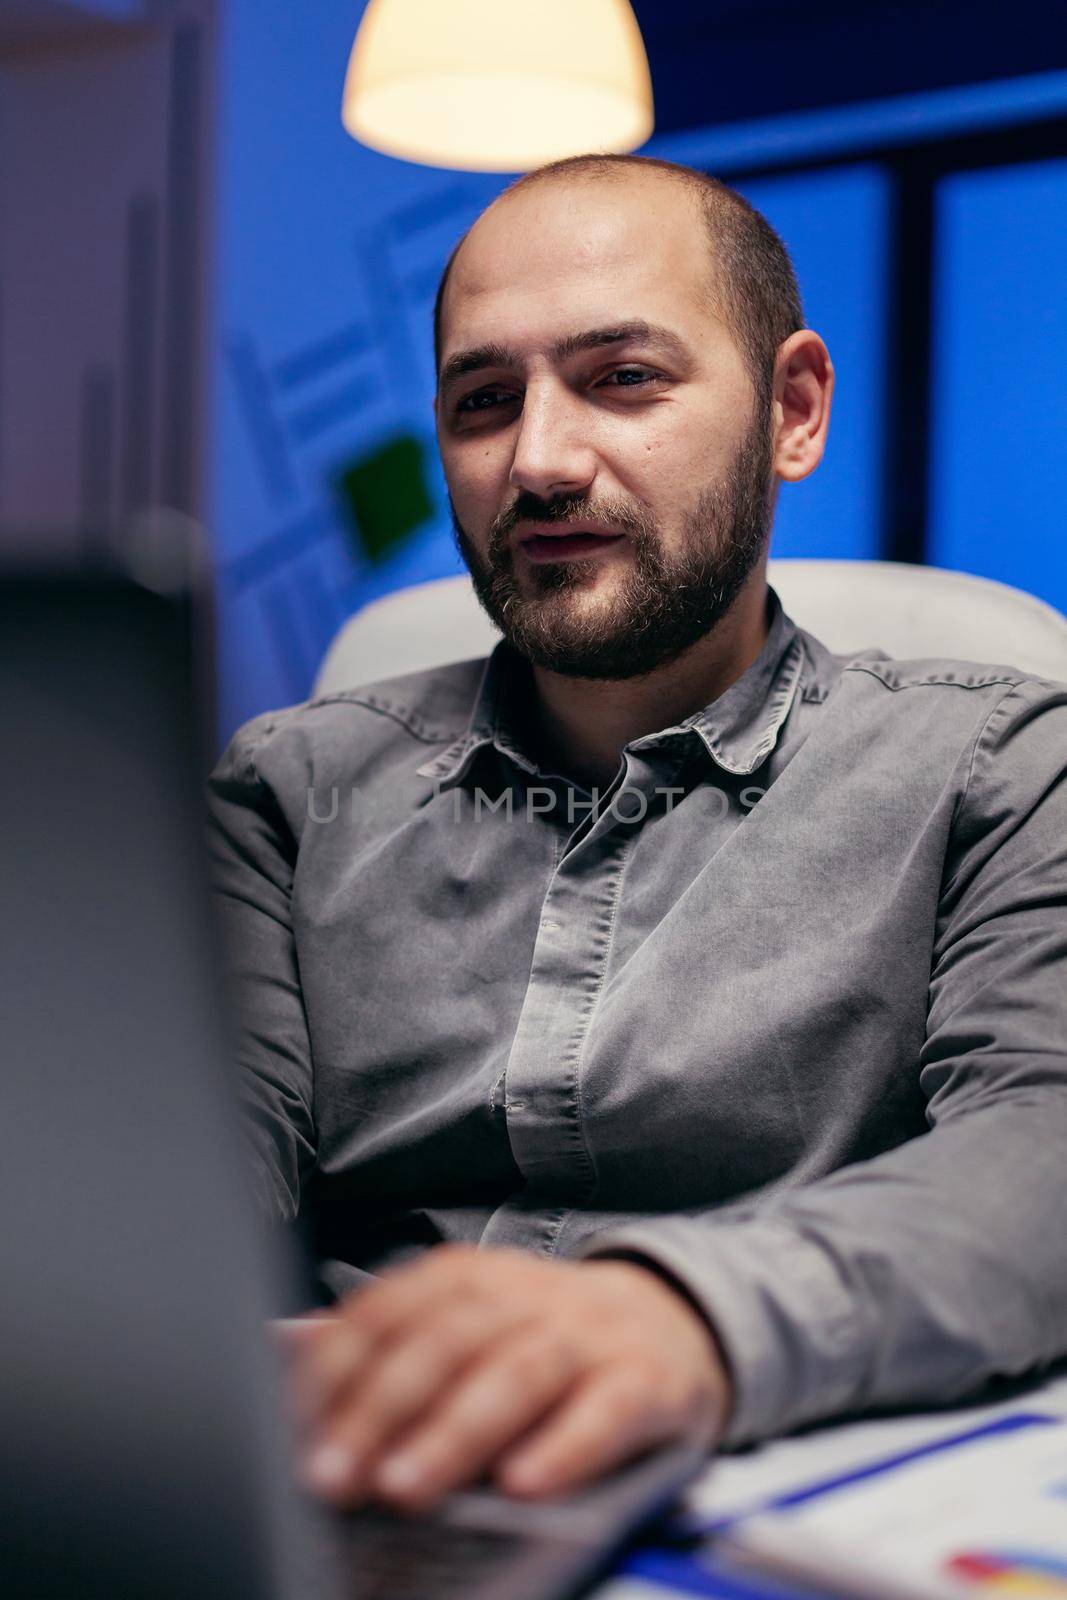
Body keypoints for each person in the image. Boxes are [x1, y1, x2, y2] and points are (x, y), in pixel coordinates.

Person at [206, 152, 1067, 1519]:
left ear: (791, 411)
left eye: (624, 379)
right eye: (484, 402)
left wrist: (677, 1321)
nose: (539, 461)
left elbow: (1046, 1158)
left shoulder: (1002, 764)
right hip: (327, 1467)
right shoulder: (287, 790)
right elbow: (187, 1167)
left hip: (751, 1470)